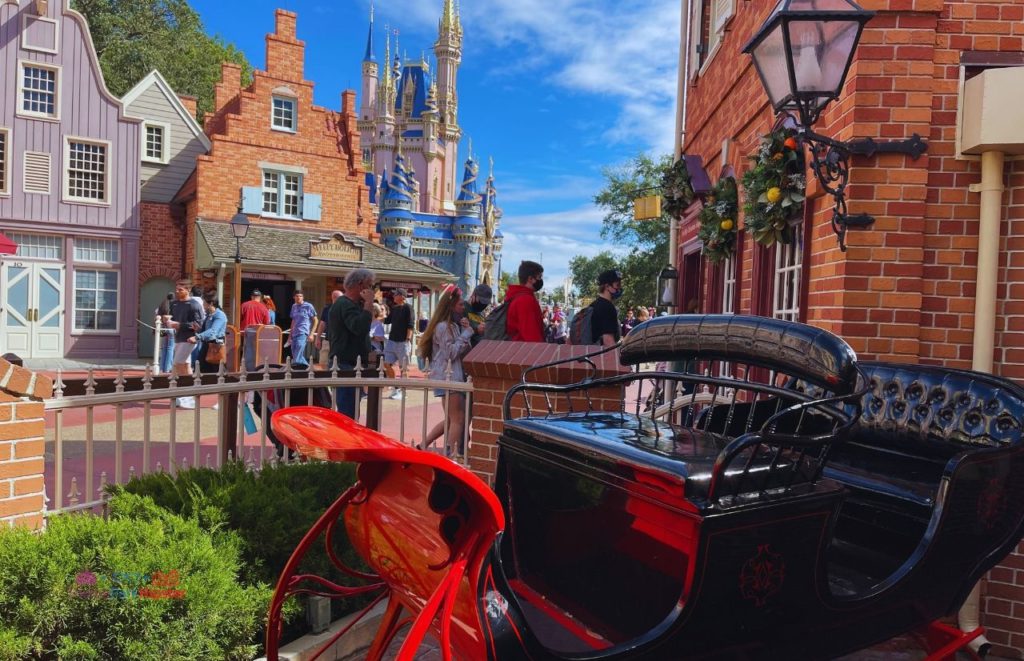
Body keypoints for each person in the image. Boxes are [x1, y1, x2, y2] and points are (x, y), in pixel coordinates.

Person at [418, 285, 474, 456]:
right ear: (450, 306)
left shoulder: (454, 326)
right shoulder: (443, 327)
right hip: (449, 376)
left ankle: (423, 444)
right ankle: (450, 453)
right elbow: (451, 353)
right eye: (460, 305)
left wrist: (465, 332)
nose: (463, 308)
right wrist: (467, 334)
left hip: (451, 375)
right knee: (459, 418)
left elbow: (463, 350)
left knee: (451, 419)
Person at [329, 268, 375, 419]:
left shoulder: (349, 304)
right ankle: (346, 443)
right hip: (345, 364)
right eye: (370, 285)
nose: (371, 289)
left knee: (351, 411)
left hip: (350, 364)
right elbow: (360, 328)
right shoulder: (345, 304)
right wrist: (369, 303)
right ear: (361, 285)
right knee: (348, 414)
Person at [167, 281, 204, 409]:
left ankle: (178, 393)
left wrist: (179, 325)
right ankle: (190, 394)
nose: (177, 292)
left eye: (180, 290)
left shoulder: (194, 305)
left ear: (188, 290)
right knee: (186, 366)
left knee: (176, 364)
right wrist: (167, 320)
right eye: (177, 289)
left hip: (189, 339)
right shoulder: (174, 304)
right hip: (177, 338)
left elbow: (198, 325)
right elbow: (171, 318)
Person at [383, 288, 414, 399]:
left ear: (402, 296)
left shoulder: (408, 308)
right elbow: (387, 320)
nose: (394, 296)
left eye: (396, 295)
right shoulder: (394, 309)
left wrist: (407, 340)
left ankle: (403, 390)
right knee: (386, 364)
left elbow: (410, 324)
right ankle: (396, 388)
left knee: (403, 368)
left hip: (403, 341)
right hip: (392, 340)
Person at [189, 295, 228, 383]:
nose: (203, 305)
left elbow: (213, 332)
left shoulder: (220, 315)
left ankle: (223, 393)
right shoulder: (209, 315)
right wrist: (198, 329)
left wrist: (197, 337)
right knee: (199, 369)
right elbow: (206, 330)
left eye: (204, 303)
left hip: (216, 346)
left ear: (211, 304)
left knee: (218, 372)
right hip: (207, 345)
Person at [505, 260, 545, 342]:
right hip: (526, 351)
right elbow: (532, 335)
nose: (541, 280)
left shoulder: (519, 297)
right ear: (530, 279)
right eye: (539, 277)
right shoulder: (525, 300)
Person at [591, 269, 624, 346]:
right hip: (600, 356)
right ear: (607, 286)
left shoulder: (593, 305)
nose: (620, 288)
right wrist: (616, 357)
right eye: (617, 285)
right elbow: (608, 341)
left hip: (588, 353)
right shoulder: (608, 308)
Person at [287, 291, 318, 369]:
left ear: (303, 297)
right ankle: (309, 369)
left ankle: (295, 371)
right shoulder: (294, 306)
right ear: (294, 297)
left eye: (300, 296)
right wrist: (290, 336)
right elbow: (293, 321)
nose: (299, 298)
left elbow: (316, 320)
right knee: (296, 355)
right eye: (297, 296)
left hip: (303, 333)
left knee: (297, 355)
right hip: (294, 333)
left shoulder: (308, 306)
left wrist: (311, 334)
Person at [315, 290, 343, 367]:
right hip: (328, 340)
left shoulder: (345, 309)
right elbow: (322, 324)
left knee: (338, 364)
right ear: (333, 298)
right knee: (323, 362)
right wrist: (318, 338)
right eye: (338, 298)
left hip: (341, 341)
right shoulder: (327, 308)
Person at [157, 293, 175, 374]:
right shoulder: (174, 305)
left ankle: (162, 368)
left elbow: (156, 313)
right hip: (171, 327)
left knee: (164, 348)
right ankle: (168, 368)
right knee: (170, 348)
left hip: (162, 327)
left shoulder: (163, 305)